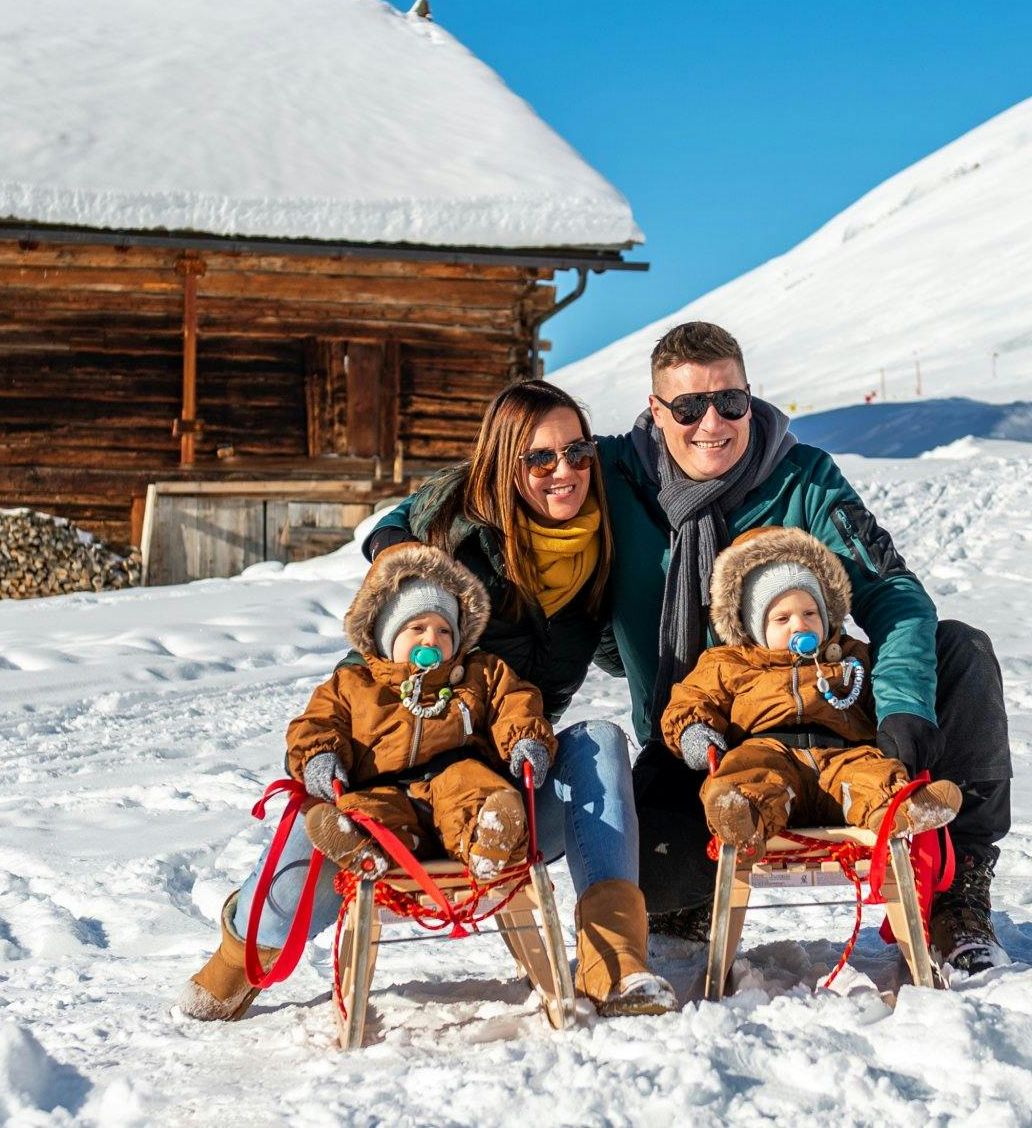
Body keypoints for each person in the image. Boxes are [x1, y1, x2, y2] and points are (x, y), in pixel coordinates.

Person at [181, 380, 677, 1020]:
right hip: (390, 787)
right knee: (313, 863)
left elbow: (627, 648)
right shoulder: (460, 539)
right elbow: (367, 648)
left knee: (601, 742)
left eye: (578, 453)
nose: (567, 471)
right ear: (503, 466)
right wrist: (327, 758)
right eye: (540, 458)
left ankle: (615, 964)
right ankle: (241, 947)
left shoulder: (596, 555)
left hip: (504, 794)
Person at [600, 321, 1013, 976]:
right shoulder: (612, 479)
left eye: (730, 401)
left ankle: (956, 896)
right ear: (656, 411)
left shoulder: (804, 482)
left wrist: (904, 707)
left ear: (750, 396)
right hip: (698, 746)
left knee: (960, 650)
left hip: (830, 730)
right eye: (688, 407)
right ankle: (691, 900)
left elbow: (896, 595)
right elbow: (486, 490)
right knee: (660, 881)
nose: (713, 422)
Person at [660, 526, 960, 846]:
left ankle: (899, 808)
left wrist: (897, 718)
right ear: (753, 626)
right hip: (769, 749)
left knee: (871, 773)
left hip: (843, 755)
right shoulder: (730, 663)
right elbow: (693, 699)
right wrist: (693, 730)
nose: (800, 624)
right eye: (782, 618)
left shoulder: (849, 656)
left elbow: (881, 692)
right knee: (748, 771)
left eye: (809, 612)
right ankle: (742, 813)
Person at [289, 542, 555, 880]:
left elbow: (515, 703)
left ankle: (489, 839)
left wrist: (525, 739)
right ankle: (370, 849)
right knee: (369, 811)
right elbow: (318, 721)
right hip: (383, 787)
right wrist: (320, 754)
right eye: (417, 628)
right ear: (387, 636)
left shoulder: (479, 673)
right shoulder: (354, 683)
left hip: (455, 775)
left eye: (444, 630)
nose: (432, 639)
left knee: (477, 790)